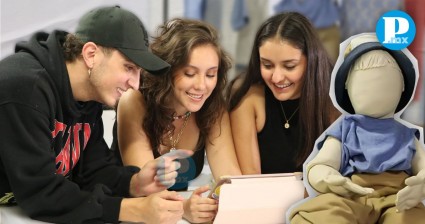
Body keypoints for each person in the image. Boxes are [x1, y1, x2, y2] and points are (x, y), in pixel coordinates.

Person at [0, 6, 192, 224]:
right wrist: (133, 209)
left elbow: (93, 171)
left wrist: (134, 183)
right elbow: (42, 193)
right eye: (129, 67)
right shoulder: (24, 87)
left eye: (139, 72)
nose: (136, 84)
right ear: (91, 54)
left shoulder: (89, 97)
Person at [112, 18, 242, 223]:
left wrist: (216, 202)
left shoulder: (213, 108)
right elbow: (147, 190)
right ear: (168, 70)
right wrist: (184, 208)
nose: (202, 86)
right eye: (190, 73)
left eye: (211, 74)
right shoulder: (134, 100)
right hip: (127, 215)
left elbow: (231, 181)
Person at [288, 33, 425, 224]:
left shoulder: (407, 135)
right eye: (367, 82)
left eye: (385, 81)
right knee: (322, 215)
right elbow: (321, 164)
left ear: (402, 86)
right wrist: (328, 178)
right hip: (352, 194)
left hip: (398, 199)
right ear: (348, 86)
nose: (376, 89)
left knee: (412, 219)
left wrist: (422, 184)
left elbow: (424, 166)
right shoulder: (345, 129)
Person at [227, 12, 339, 175]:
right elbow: (250, 180)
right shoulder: (248, 97)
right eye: (267, 65)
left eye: (289, 66)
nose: (277, 77)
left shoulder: (333, 100)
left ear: (312, 61)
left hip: (320, 198)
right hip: (263, 197)